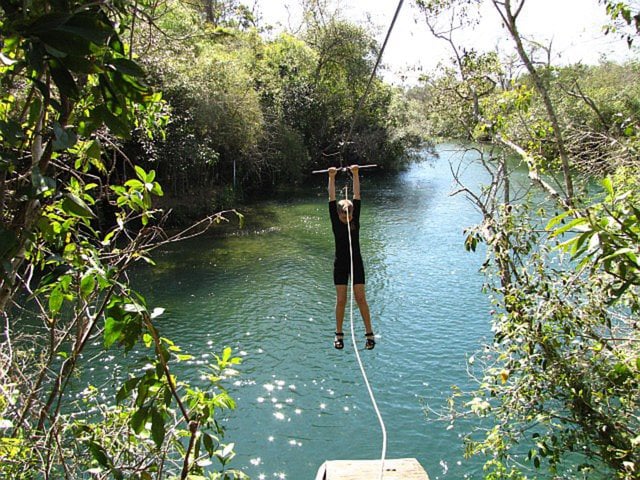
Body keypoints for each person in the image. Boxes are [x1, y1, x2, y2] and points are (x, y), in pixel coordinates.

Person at [327, 165, 375, 350]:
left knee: (361, 298)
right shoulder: (334, 216)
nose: (347, 218)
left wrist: (355, 173)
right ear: (338, 214)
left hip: (357, 263)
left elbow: (357, 195)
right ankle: (339, 334)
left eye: (350, 216)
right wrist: (332, 177)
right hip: (340, 264)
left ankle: (369, 333)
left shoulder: (355, 216)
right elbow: (331, 197)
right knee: (341, 300)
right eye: (343, 216)